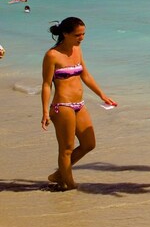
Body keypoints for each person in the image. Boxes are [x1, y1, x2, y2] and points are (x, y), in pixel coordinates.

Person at [41, 17, 117, 190]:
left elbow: (85, 75)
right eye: (77, 35)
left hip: (79, 104)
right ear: (65, 34)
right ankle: (70, 186)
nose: (81, 37)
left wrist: (102, 95)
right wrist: (45, 111)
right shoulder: (52, 55)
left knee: (89, 144)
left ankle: (59, 175)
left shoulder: (77, 49)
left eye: (83, 34)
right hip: (62, 106)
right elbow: (46, 84)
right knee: (66, 149)